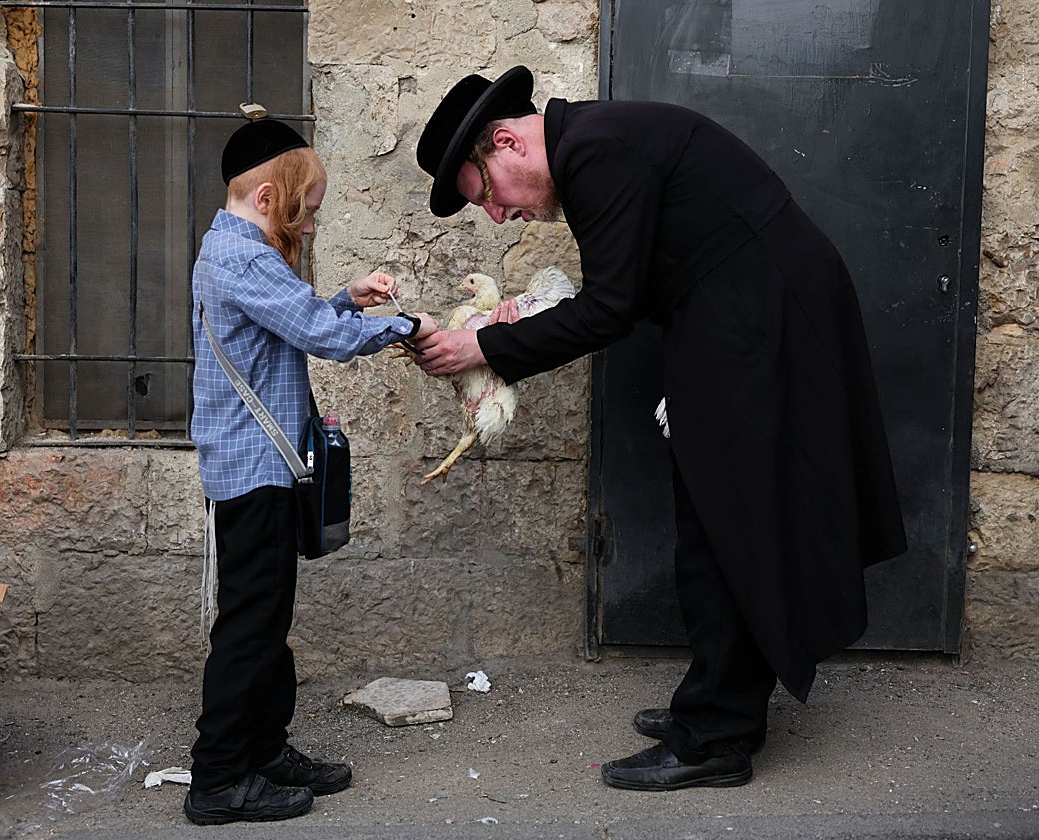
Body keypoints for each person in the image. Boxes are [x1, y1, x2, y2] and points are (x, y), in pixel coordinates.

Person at [413, 66, 907, 791]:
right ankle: (720, 706)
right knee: (720, 520)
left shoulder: (596, 151)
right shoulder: (595, 143)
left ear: (509, 142)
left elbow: (612, 309)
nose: (497, 216)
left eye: (485, 194)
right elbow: (632, 286)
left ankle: (714, 736)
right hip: (741, 314)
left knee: (726, 525)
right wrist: (522, 322)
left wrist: (482, 347)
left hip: (757, 320)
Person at [187, 117, 437, 824]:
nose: (311, 222)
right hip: (255, 474)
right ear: (268, 197)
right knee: (250, 628)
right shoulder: (246, 260)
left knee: (266, 622)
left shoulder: (234, 251)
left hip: (258, 467)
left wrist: (347, 298)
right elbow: (322, 338)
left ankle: (264, 751)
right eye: (307, 209)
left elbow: (295, 322)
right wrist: (408, 326)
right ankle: (218, 780)